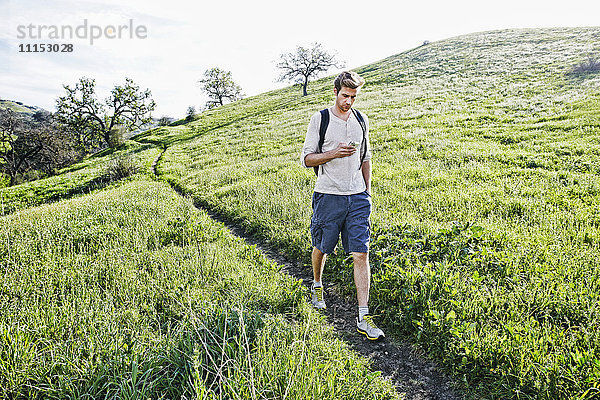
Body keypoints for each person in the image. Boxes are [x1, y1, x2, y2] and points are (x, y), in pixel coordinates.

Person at [300, 71, 384, 341]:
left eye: (354, 97)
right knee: (322, 247)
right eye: (345, 96)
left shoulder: (361, 120)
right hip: (328, 195)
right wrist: (333, 153)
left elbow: (365, 157)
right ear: (335, 92)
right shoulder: (321, 119)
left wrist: (367, 192)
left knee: (361, 254)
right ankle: (317, 285)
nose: (349, 102)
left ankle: (363, 315)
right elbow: (307, 159)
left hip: (357, 197)